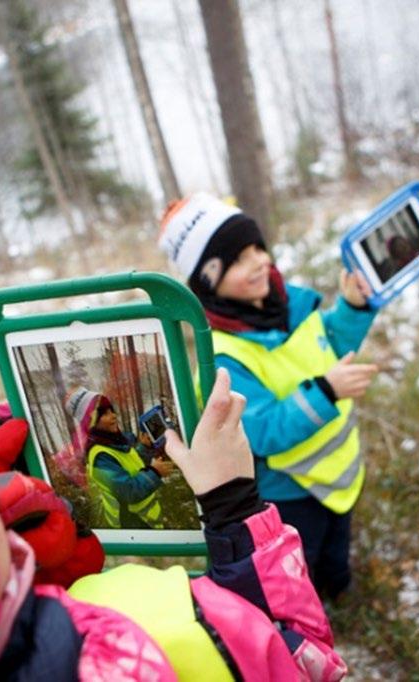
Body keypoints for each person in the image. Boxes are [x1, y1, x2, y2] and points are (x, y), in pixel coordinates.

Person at [0, 371, 347, 681]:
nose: (112, 419)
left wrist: (29, 565)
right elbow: (301, 659)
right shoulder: (161, 642)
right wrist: (231, 502)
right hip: (138, 518)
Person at [159, 193, 379, 599]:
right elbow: (263, 431)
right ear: (209, 280)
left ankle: (341, 588)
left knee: (337, 547)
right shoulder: (225, 358)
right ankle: (311, 610)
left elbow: (330, 342)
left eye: (258, 247)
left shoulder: (291, 306)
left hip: (339, 472)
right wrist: (327, 390)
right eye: (239, 259)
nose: (260, 260)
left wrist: (351, 308)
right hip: (292, 491)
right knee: (302, 563)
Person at [65, 387, 173, 529]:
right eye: (104, 414)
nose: (113, 416)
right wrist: (155, 473)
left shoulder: (115, 441)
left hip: (146, 518)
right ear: (91, 422)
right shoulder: (100, 457)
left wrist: (144, 447)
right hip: (132, 523)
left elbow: (129, 463)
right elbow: (128, 491)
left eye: (111, 410)